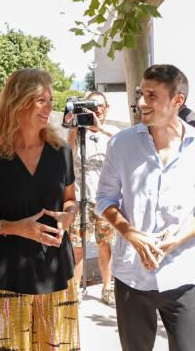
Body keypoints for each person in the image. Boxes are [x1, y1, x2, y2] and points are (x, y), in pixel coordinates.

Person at [96, 64, 195, 350]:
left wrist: (178, 238)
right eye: (142, 93)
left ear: (177, 101)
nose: (142, 102)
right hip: (131, 276)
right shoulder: (121, 144)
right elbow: (105, 199)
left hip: (183, 275)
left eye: (152, 95)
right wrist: (130, 233)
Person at [0, 68, 80, 350]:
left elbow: (70, 199)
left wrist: (69, 215)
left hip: (56, 275)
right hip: (4, 280)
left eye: (50, 100)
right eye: (41, 100)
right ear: (18, 101)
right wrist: (16, 228)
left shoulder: (60, 152)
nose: (49, 107)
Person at [66, 90, 119, 305]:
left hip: (106, 200)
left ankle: (108, 288)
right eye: (91, 106)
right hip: (81, 199)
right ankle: (75, 290)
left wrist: (100, 128)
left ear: (106, 109)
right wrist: (73, 130)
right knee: (77, 246)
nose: (95, 110)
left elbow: (125, 146)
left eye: (99, 106)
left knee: (105, 244)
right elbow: (66, 155)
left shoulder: (112, 132)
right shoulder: (78, 132)